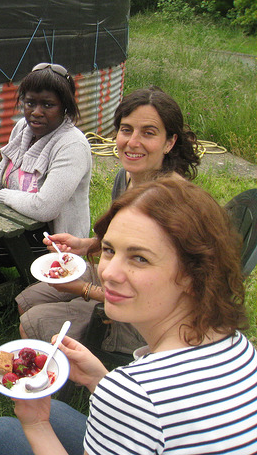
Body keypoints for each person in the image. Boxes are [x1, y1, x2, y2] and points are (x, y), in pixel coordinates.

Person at [0, 177, 257, 455]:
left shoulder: (134, 395)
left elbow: (145, 407)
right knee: (59, 411)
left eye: (140, 258)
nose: (108, 272)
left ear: (193, 274)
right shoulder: (239, 347)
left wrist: (36, 424)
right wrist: (100, 379)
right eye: (109, 250)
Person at [17, 87, 200, 351]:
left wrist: (84, 290)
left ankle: (73, 382)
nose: (132, 142)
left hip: (147, 316)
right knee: (27, 300)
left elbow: (156, 295)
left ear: (170, 142)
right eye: (126, 130)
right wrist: (88, 245)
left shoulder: (172, 206)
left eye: (148, 133)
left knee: (31, 321)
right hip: (117, 277)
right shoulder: (125, 178)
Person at [0, 63, 91, 296]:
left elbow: (45, 207)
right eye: (30, 103)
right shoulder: (23, 128)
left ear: (65, 107)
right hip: (16, 221)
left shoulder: (71, 145)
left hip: (52, 237)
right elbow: (7, 175)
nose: (36, 112)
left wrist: (1, 194)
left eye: (48, 105)